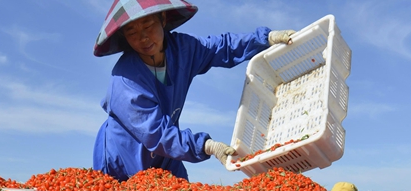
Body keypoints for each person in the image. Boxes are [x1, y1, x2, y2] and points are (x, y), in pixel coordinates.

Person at [92, 0, 296, 181]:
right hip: (124, 158)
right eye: (132, 32)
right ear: (125, 38)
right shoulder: (125, 80)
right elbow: (157, 133)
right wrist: (206, 146)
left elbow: (220, 47)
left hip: (166, 154)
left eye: (148, 25)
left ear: (163, 19)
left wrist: (265, 39)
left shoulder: (182, 50)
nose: (143, 38)